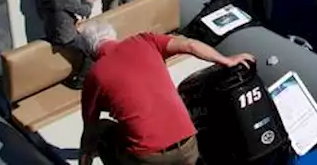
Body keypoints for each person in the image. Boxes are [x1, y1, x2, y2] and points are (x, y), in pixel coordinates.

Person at [77, 21, 254, 165]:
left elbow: (90, 128)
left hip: (149, 158)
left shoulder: (95, 75)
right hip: (188, 148)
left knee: (102, 128)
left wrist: (84, 159)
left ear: (90, 51)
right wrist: (226, 60)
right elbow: (190, 45)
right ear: (113, 36)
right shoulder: (145, 40)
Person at [35, 0, 98, 89]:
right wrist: (89, 1)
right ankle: (80, 80)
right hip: (66, 36)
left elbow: (43, 13)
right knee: (91, 51)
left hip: (51, 31)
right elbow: (84, 11)